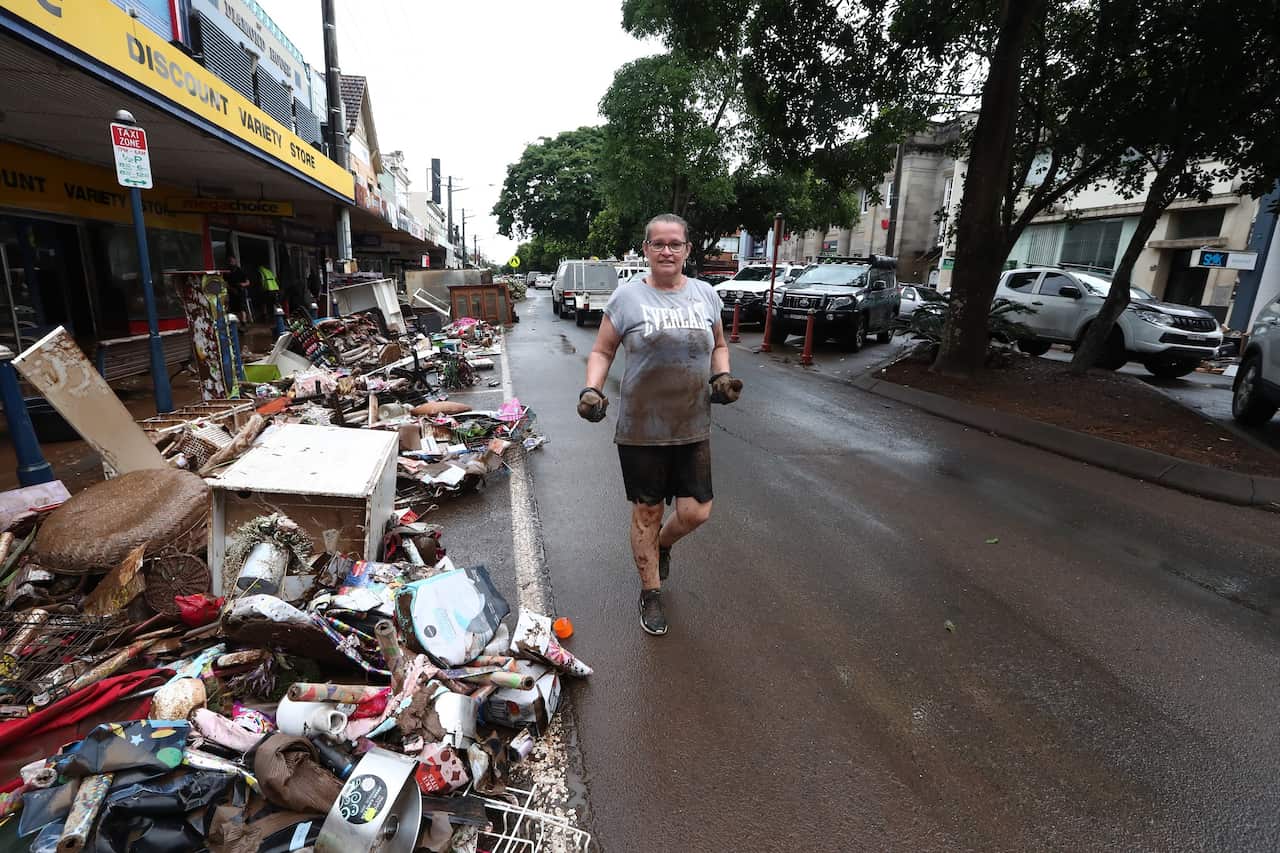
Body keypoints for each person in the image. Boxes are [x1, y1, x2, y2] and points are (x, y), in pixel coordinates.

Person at [578, 213, 743, 635]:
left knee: (696, 512)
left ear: (687, 249)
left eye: (675, 244)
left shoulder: (706, 295)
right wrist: (592, 389)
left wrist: (720, 376)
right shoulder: (627, 298)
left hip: (692, 421)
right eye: (658, 244)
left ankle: (664, 545)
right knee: (647, 510)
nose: (666, 251)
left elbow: (719, 345)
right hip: (641, 428)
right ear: (646, 250)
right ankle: (651, 592)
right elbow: (602, 350)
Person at [224, 255, 251, 321]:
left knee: (242, 307)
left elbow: (248, 282)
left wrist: (242, 284)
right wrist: (231, 289)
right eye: (230, 261)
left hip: (241, 291)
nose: (231, 263)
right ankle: (237, 323)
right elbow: (224, 283)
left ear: (235, 262)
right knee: (234, 309)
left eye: (232, 261)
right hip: (231, 292)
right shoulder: (227, 272)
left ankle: (243, 321)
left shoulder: (240, 271)